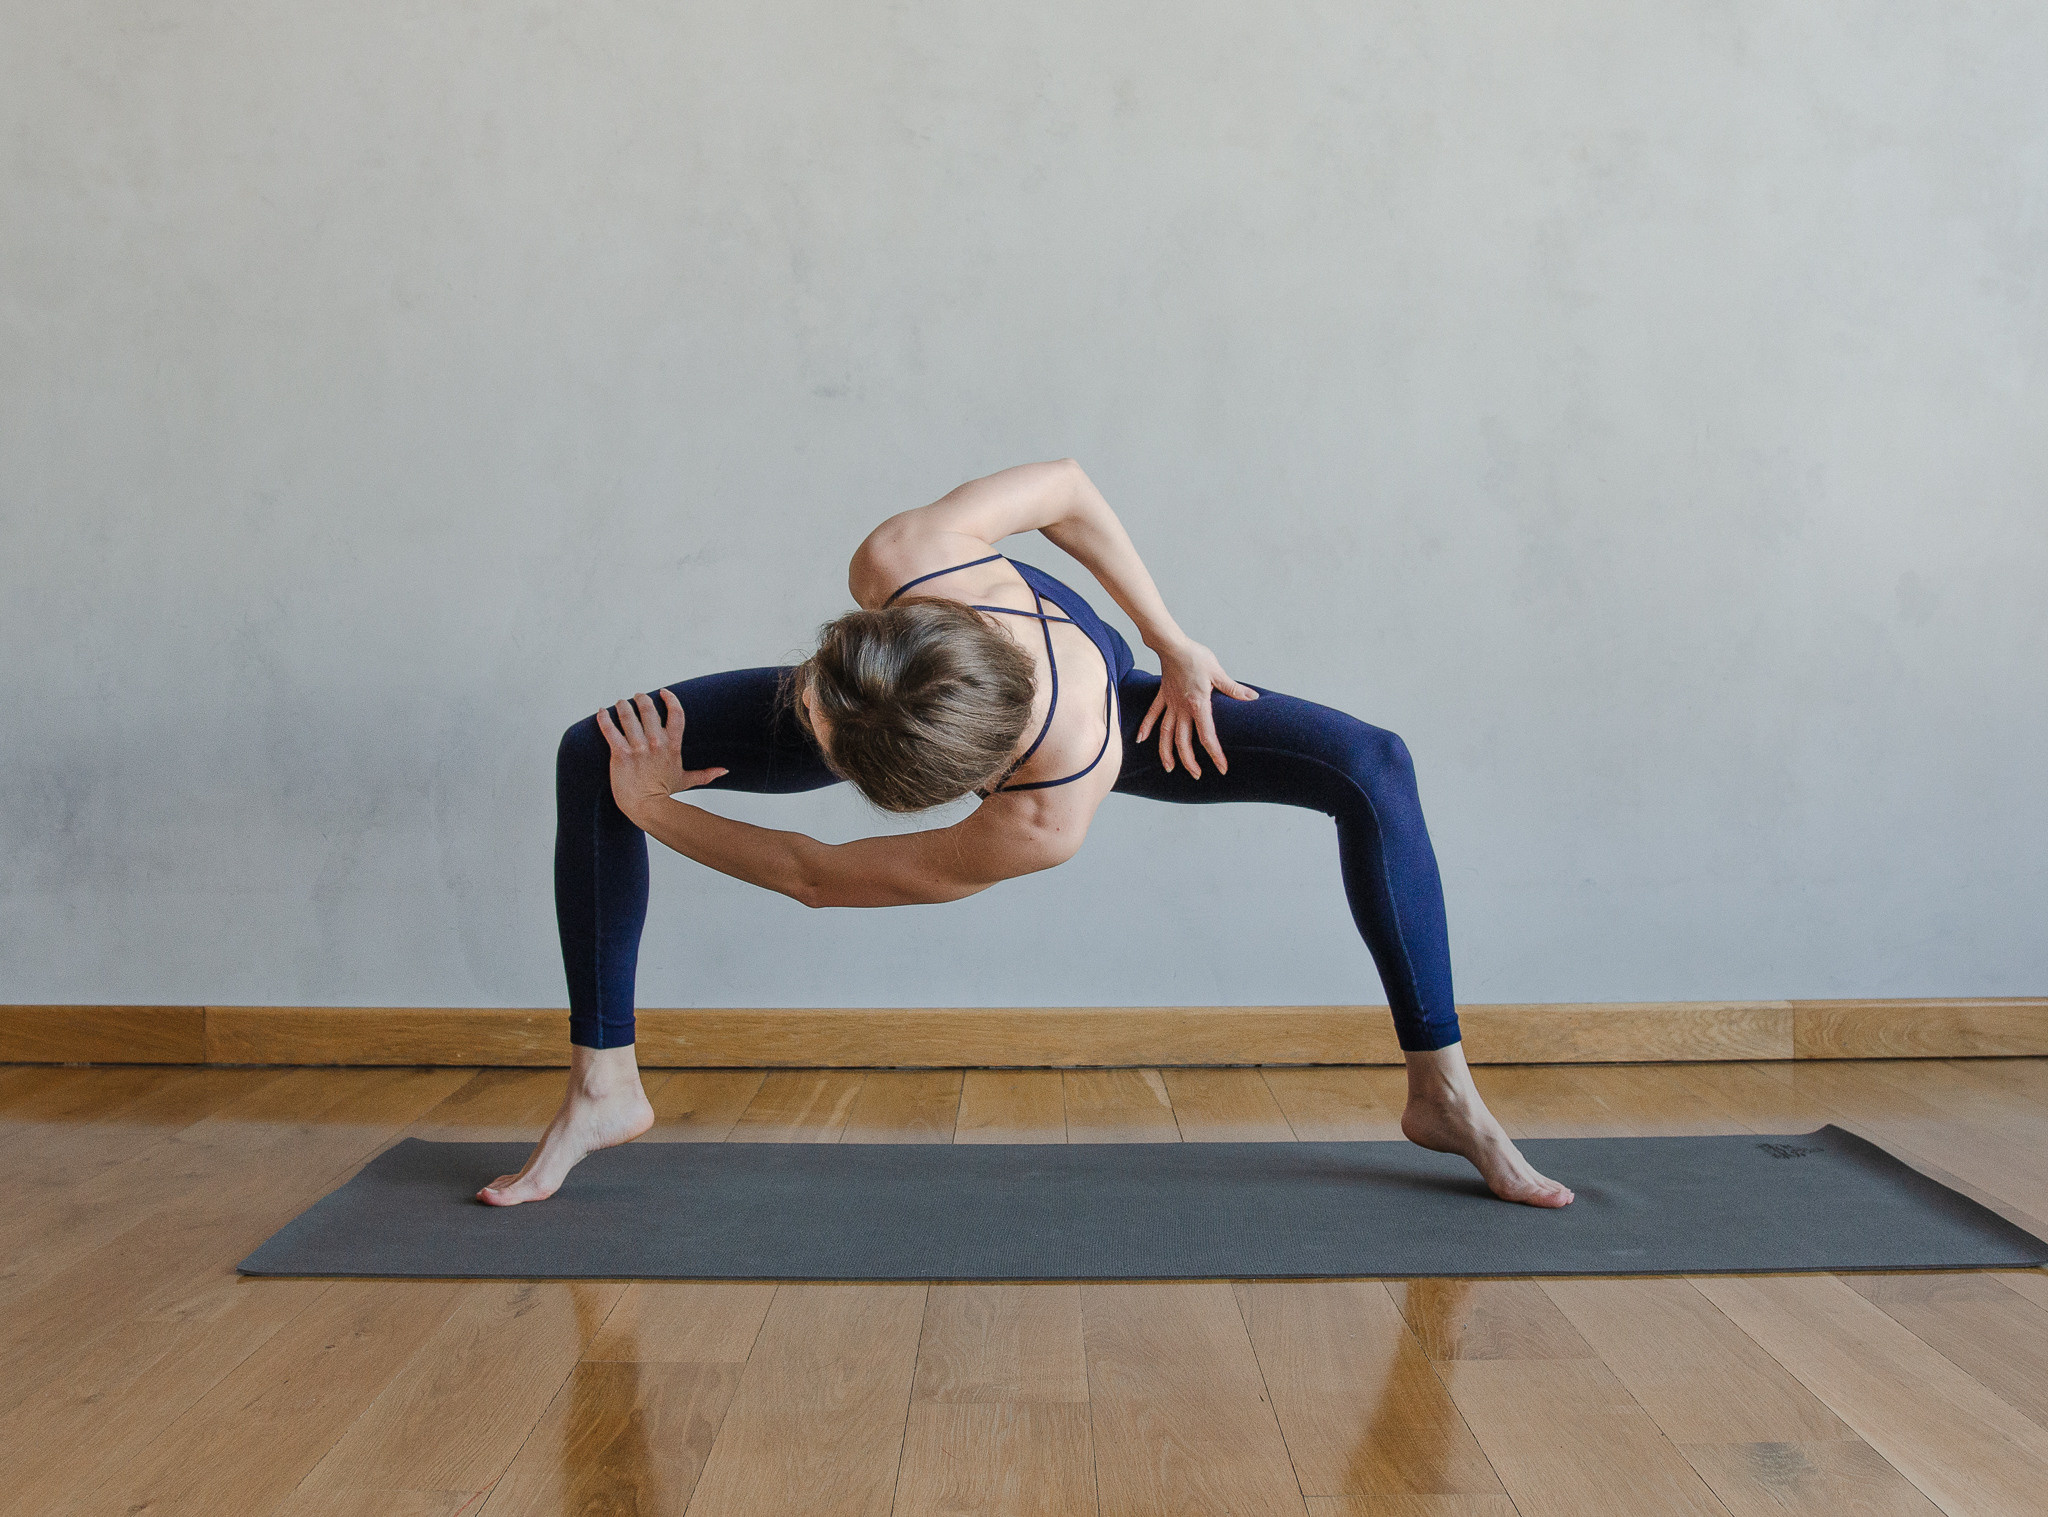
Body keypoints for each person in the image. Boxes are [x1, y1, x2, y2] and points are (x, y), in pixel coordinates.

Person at [479, 459, 1573, 1208]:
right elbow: (1065, 484)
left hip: (1083, 722)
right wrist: (1174, 637)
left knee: (1369, 764)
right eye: (812, 684)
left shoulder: (1043, 813)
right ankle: (604, 1084)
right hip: (947, 692)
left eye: (809, 709)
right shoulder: (912, 556)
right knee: (597, 748)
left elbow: (817, 872)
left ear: (948, 788)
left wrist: (658, 810)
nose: (795, 705)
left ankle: (1443, 1094)